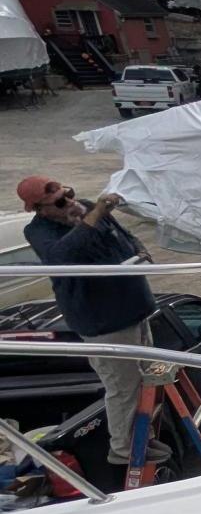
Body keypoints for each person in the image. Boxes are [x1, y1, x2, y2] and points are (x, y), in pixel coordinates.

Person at [17, 175, 170, 467]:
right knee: (123, 387)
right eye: (61, 202)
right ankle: (125, 450)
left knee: (147, 380)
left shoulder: (85, 208)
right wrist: (97, 212)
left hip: (133, 309)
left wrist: (138, 249)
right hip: (103, 322)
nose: (71, 202)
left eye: (70, 193)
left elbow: (121, 234)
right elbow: (63, 256)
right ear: (40, 209)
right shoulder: (38, 231)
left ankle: (144, 437)